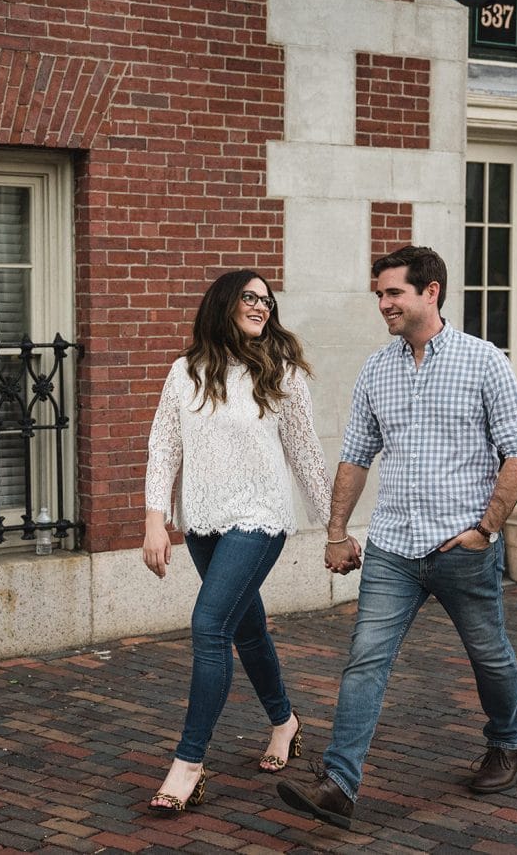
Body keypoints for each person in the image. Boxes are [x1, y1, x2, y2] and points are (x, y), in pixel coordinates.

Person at [276, 245, 517, 829]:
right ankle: (339, 785)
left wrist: (486, 528)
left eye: (393, 293)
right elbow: (355, 455)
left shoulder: (483, 361)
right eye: (379, 294)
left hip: (460, 548)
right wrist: (336, 531)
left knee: (489, 656)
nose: (383, 304)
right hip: (394, 547)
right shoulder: (377, 367)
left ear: (431, 292)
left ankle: (507, 743)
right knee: (365, 660)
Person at [142, 269, 339, 815]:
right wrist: (155, 519)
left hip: (260, 518)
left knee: (209, 626)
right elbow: (164, 447)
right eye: (250, 297)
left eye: (267, 300)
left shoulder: (280, 371)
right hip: (202, 522)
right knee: (246, 628)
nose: (262, 306)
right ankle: (285, 722)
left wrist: (335, 528)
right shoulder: (185, 372)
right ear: (224, 303)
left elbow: (305, 454)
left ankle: (188, 764)